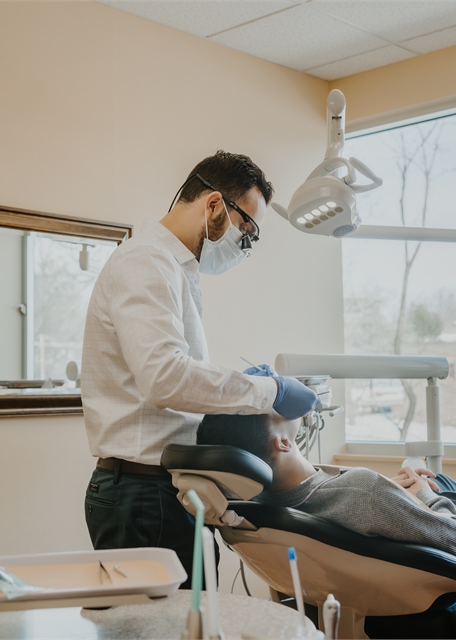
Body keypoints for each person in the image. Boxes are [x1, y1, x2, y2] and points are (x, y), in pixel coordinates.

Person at [80, 151, 319, 585]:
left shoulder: (175, 270)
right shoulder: (146, 262)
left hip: (164, 489)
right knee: (159, 622)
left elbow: (174, 374)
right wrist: (271, 391)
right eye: (247, 229)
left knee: (194, 617)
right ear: (213, 205)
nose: (245, 245)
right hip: (141, 494)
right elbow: (165, 378)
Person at [196, 412, 456, 562]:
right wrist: (420, 496)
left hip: (416, 513)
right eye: (268, 406)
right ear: (283, 442)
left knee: (437, 479)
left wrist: (392, 490)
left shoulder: (260, 500)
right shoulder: (364, 492)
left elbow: (337, 495)